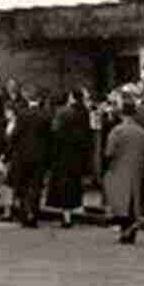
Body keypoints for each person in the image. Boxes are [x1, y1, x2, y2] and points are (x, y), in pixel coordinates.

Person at [104, 98, 144, 244]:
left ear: (122, 114)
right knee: (133, 201)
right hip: (137, 170)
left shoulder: (117, 131)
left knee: (119, 201)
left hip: (118, 169)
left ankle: (125, 228)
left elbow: (109, 152)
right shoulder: (143, 133)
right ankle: (131, 227)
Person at [7, 88, 50, 228]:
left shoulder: (22, 114)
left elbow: (15, 135)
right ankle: (34, 215)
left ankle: (25, 214)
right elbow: (50, 136)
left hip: (23, 155)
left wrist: (10, 150)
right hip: (40, 155)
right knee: (36, 186)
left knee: (23, 185)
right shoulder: (45, 115)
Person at [48, 90, 92, 228]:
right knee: (75, 183)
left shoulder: (63, 113)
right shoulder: (85, 112)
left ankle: (66, 217)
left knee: (65, 185)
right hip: (78, 154)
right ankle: (77, 207)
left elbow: (54, 132)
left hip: (63, 154)